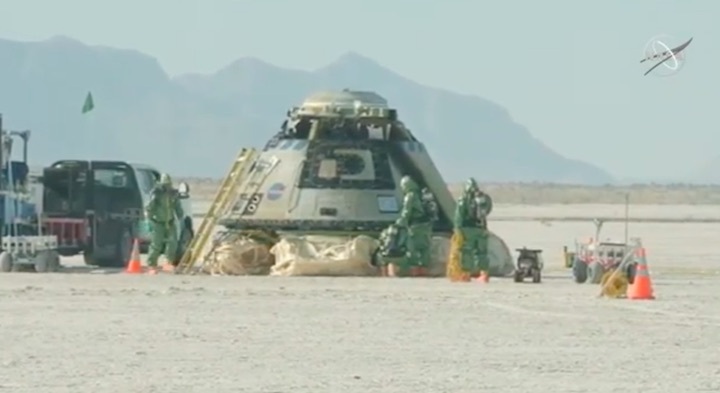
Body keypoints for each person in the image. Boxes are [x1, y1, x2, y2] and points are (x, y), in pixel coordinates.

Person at [453, 177, 492, 282]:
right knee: (482, 252)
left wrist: (457, 228)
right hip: (481, 228)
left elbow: (459, 215)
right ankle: (484, 274)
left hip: (468, 229)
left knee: (466, 251)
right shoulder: (482, 199)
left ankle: (466, 274)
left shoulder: (464, 199)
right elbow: (488, 209)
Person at [395, 176, 434, 277]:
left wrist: (399, 223)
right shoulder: (422, 195)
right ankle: (425, 269)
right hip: (426, 225)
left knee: (412, 247)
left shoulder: (410, 196)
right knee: (425, 247)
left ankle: (415, 270)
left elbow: (406, 212)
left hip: (415, 226)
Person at [145, 173, 184, 271]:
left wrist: (180, 216)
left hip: (169, 222)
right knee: (156, 244)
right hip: (158, 222)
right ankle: (151, 264)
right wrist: (148, 219)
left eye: (168, 184)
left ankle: (168, 262)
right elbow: (150, 207)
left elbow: (177, 206)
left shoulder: (173, 194)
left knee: (172, 243)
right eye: (165, 184)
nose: (167, 187)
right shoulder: (156, 194)